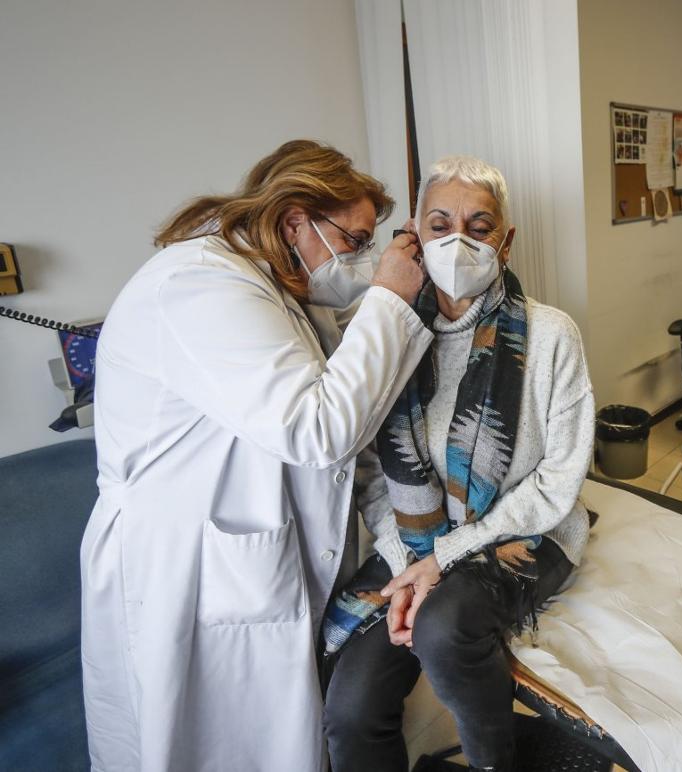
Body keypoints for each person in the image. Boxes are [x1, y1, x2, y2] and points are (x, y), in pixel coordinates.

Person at [80, 140, 430, 770]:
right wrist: (391, 298)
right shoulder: (198, 284)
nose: (359, 258)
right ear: (297, 219)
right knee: (203, 746)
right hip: (184, 564)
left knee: (272, 739)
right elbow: (318, 429)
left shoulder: (275, 290)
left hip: (247, 552)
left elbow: (355, 437)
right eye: (352, 239)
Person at [321, 156, 594, 772]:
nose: (458, 240)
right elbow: (369, 473)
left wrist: (442, 560)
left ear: (506, 240)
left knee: (441, 629)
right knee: (351, 708)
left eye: (480, 224)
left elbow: (559, 478)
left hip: (523, 532)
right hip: (413, 543)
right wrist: (406, 558)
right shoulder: (385, 337)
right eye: (440, 224)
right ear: (414, 237)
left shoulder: (551, 336)